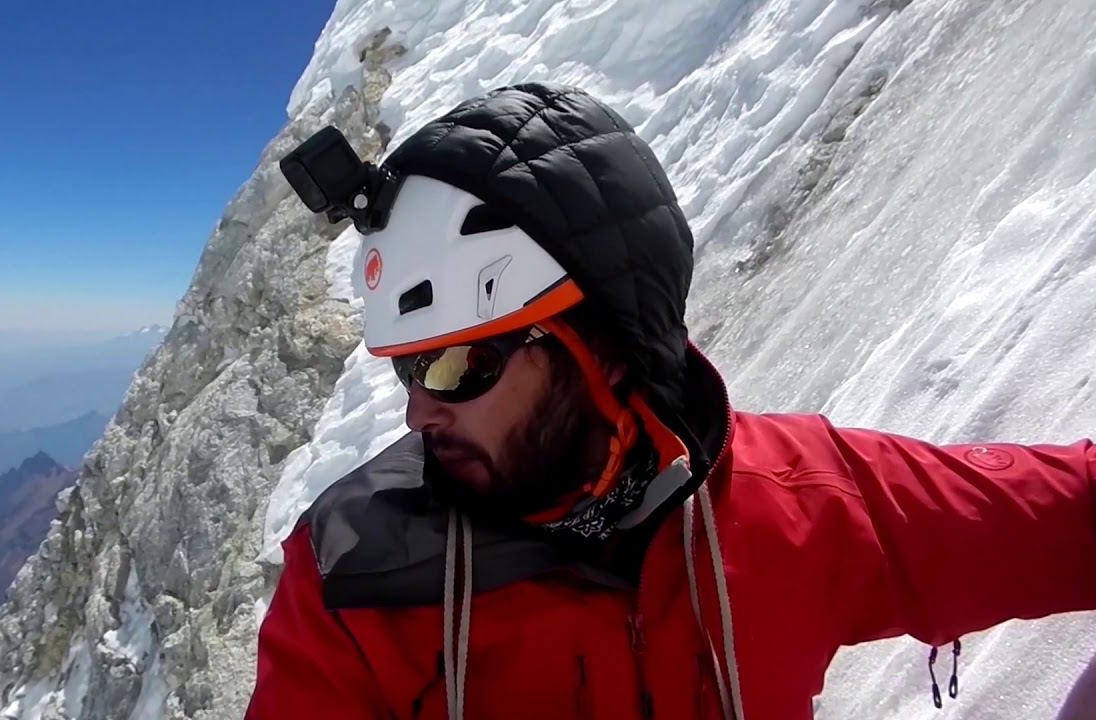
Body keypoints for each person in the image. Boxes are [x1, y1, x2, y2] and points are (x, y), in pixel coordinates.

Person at [245, 82, 1096, 720]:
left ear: (604, 348)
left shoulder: (792, 500)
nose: (419, 414)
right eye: (408, 370)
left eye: (458, 366)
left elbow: (1059, 518)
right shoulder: (353, 582)